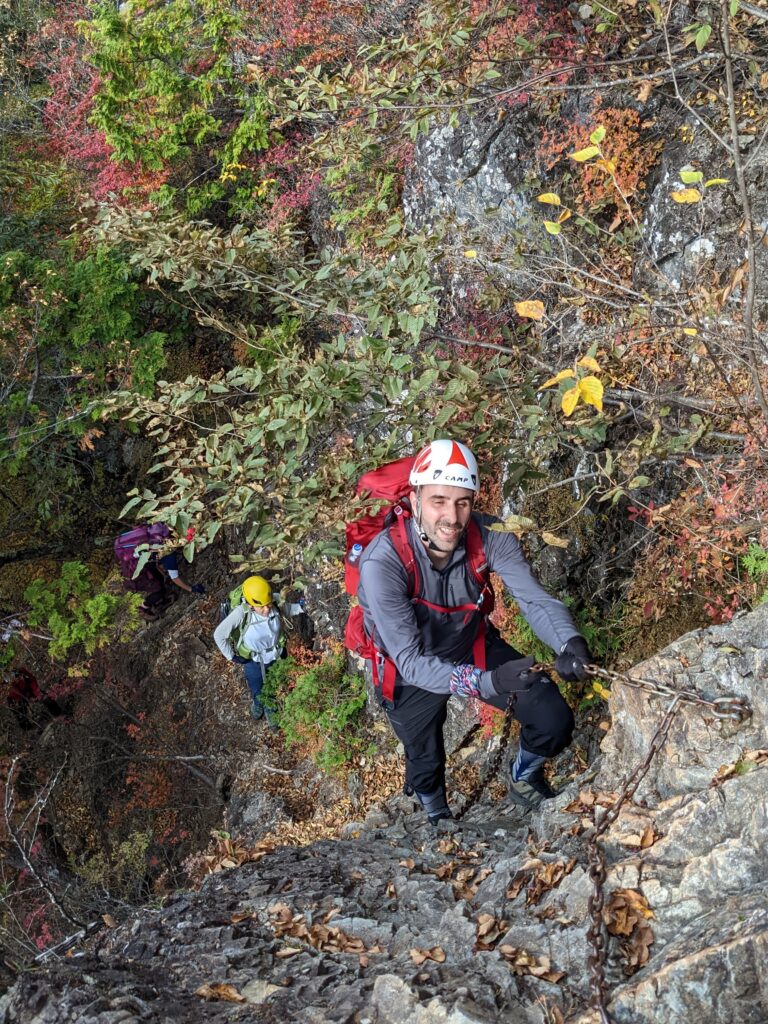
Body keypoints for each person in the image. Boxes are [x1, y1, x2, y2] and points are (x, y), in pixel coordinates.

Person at [357, 438, 594, 822]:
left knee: (552, 717)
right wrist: (490, 682)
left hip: (469, 643)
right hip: (407, 669)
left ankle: (524, 779)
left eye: (462, 501)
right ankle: (437, 819)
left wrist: (570, 641)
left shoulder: (491, 536)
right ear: (415, 500)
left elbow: (533, 600)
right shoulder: (383, 562)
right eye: (439, 501)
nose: (451, 516)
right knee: (424, 758)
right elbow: (413, 663)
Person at [214, 575, 284, 726]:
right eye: (262, 607)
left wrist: (302, 607)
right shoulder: (241, 613)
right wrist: (232, 656)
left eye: (268, 604)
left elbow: (289, 608)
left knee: (274, 683)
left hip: (275, 655)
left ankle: (271, 707)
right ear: (251, 604)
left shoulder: (273, 601)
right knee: (256, 685)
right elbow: (219, 635)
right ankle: (258, 703)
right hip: (253, 660)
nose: (267, 609)